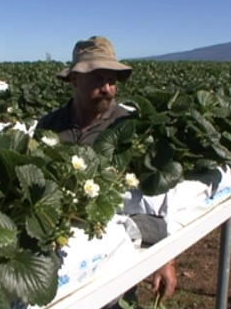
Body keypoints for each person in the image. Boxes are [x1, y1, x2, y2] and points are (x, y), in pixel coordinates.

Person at [36, 36, 177, 307]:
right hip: (64, 247)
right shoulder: (50, 126)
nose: (108, 89)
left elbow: (154, 201)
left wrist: (166, 258)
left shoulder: (129, 126)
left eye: (112, 81)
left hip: (113, 250)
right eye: (99, 80)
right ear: (74, 80)